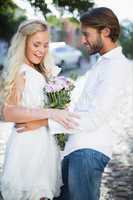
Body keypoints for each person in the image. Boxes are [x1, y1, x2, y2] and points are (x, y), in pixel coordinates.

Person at [49, 7, 133, 200]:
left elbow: (95, 117)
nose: (82, 40)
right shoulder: (103, 63)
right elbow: (85, 108)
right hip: (76, 148)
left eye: (86, 34)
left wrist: (49, 122)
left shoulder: (116, 66)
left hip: (89, 151)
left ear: (105, 31)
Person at [0, 19, 79, 200]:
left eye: (45, 45)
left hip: (45, 144)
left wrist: (49, 115)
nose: (41, 50)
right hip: (28, 145)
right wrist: (50, 113)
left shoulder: (42, 71)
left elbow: (54, 113)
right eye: (36, 44)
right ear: (24, 43)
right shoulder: (21, 71)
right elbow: (9, 111)